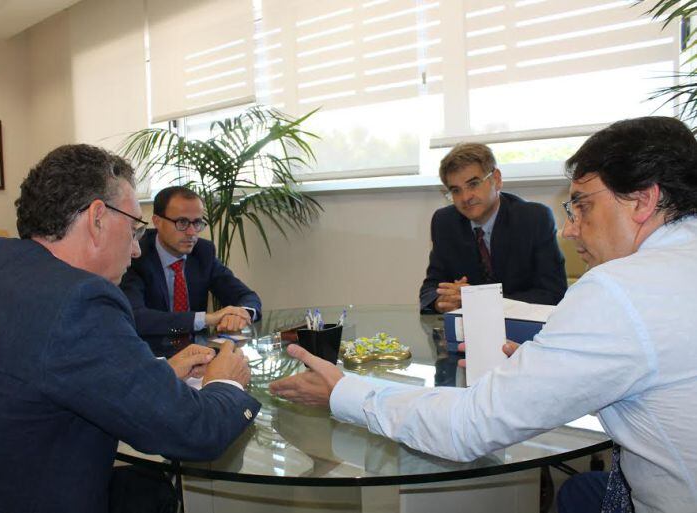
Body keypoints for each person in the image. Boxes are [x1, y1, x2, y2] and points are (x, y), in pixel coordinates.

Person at [271, 117, 697, 512]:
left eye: (582, 205)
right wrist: (548, 366)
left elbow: (469, 427)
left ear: (643, 200)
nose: (570, 228)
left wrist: (343, 392)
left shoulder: (617, 291)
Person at [0, 144, 260, 513]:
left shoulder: (3, 271)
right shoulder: (79, 300)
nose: (136, 250)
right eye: (134, 228)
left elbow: (45, 375)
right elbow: (195, 432)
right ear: (98, 217)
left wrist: (158, 374)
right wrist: (225, 381)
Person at [419, 143, 567, 313]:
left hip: (523, 331)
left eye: (473, 184)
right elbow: (430, 290)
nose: (465, 197)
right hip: (469, 332)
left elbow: (553, 293)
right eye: (456, 190)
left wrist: (477, 300)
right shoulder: (445, 222)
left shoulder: (534, 218)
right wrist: (442, 301)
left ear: (496, 179)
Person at [120, 186, 262, 338]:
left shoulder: (203, 252)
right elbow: (136, 317)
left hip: (199, 350)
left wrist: (241, 314)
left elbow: (246, 296)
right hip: (151, 352)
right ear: (157, 222)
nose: (192, 233)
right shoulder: (135, 254)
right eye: (182, 222)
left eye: (197, 223)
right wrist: (207, 319)